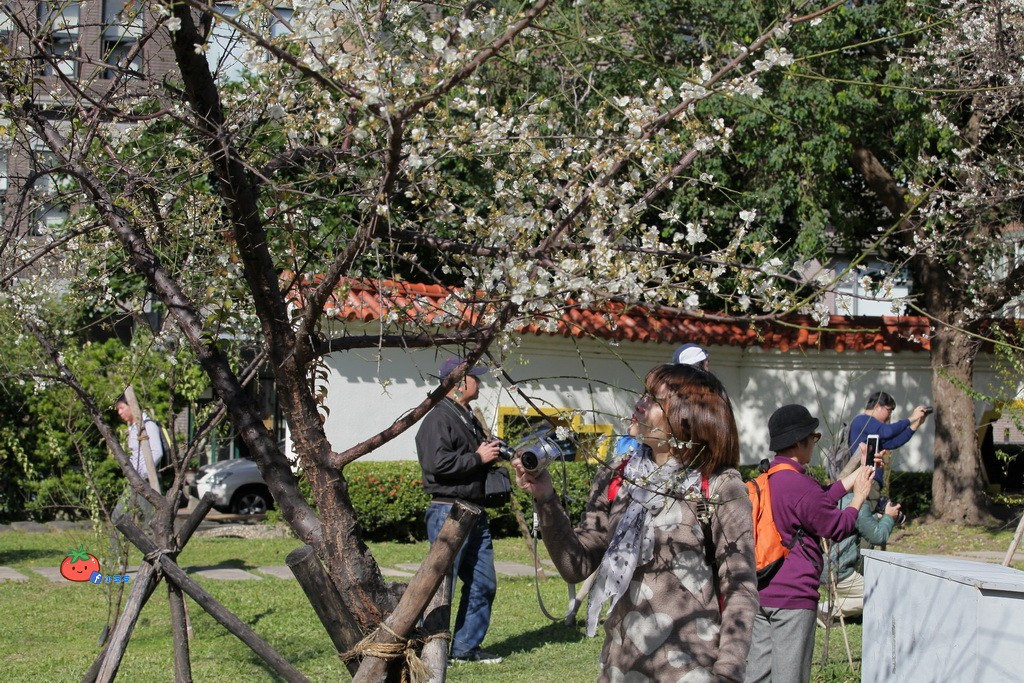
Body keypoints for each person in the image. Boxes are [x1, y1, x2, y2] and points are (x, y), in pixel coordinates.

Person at [515, 363, 758, 681]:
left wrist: (727, 672)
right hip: (621, 669)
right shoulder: (616, 474)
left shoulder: (720, 486)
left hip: (692, 670)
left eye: (653, 399)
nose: (639, 403)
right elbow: (576, 565)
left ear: (686, 416)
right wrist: (546, 499)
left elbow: (740, 587)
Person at [745, 404, 873, 683]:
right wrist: (860, 497)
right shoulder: (800, 485)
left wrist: (857, 475)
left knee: (757, 676)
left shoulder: (770, 478)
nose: (815, 444)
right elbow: (837, 527)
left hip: (763, 591)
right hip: (793, 596)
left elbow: (820, 499)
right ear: (799, 442)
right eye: (813, 438)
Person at [415, 357, 503, 664]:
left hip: (474, 511)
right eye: (476, 378)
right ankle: (427, 647)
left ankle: (465, 649)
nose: (481, 382)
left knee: (483, 582)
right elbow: (436, 465)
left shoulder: (467, 416)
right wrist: (478, 458)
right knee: (440, 583)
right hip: (448, 511)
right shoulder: (437, 417)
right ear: (458, 384)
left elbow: (471, 456)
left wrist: (493, 452)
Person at [821, 444, 902, 620]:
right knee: (880, 594)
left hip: (822, 567)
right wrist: (889, 517)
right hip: (839, 571)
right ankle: (824, 610)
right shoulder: (857, 505)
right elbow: (878, 536)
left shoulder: (836, 498)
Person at [847, 391, 930, 484]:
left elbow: (893, 442)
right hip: (864, 480)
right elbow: (888, 431)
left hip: (870, 481)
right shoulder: (863, 420)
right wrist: (911, 418)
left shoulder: (873, 428)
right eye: (889, 410)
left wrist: (916, 424)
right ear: (877, 407)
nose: (890, 415)